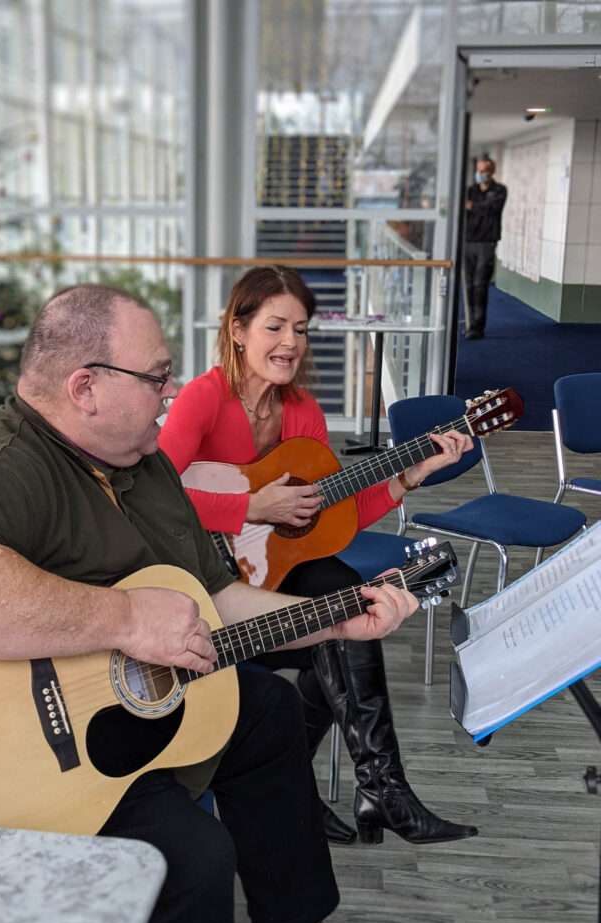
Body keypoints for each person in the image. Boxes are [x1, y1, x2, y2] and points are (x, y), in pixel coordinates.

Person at [0, 283, 421, 923]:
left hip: (123, 709)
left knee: (265, 709)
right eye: (156, 377)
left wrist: (335, 621)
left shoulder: (143, 464)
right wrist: (122, 617)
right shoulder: (2, 464)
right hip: (17, 753)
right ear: (86, 387)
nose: (172, 395)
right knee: (194, 860)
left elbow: (222, 603)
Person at [159, 265, 478, 847]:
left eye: (300, 329)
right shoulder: (204, 399)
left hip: (279, 570)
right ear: (237, 328)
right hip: (200, 573)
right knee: (341, 621)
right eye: (275, 326)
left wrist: (408, 476)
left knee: (344, 608)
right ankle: (339, 790)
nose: (289, 343)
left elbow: (332, 521)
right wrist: (251, 507)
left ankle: (367, 785)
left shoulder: (302, 411)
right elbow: (156, 491)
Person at [463, 157, 508, 340]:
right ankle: (468, 321)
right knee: (468, 286)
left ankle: (477, 326)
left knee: (480, 285)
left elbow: (491, 208)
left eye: (483, 171)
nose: (479, 174)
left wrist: (473, 206)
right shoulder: (470, 191)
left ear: (491, 172)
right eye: (478, 170)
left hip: (486, 244)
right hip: (468, 242)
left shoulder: (499, 191)